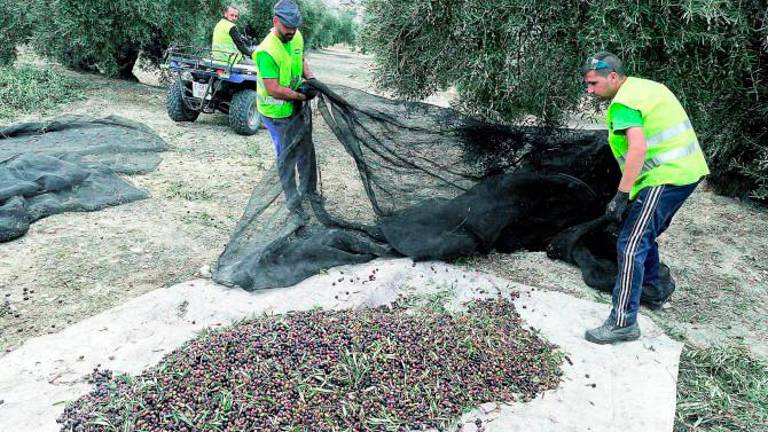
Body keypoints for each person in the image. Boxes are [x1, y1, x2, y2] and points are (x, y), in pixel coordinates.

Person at [582, 52, 710, 344]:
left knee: (629, 245)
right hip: (686, 172)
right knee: (642, 232)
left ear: (612, 76)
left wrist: (622, 195)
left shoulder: (624, 104)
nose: (590, 91)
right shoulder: (646, 87)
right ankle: (653, 288)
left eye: (593, 84)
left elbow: (637, 149)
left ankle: (622, 321)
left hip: (664, 177)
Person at [253, 0, 318, 214]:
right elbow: (273, 89)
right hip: (275, 114)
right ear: (275, 21)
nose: (291, 32)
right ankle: (292, 202)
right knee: (287, 156)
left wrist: (312, 79)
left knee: (305, 149)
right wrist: (300, 95)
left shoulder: (296, 36)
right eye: (287, 28)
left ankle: (309, 192)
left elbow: (301, 59)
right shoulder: (266, 51)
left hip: (295, 106)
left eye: (294, 27)